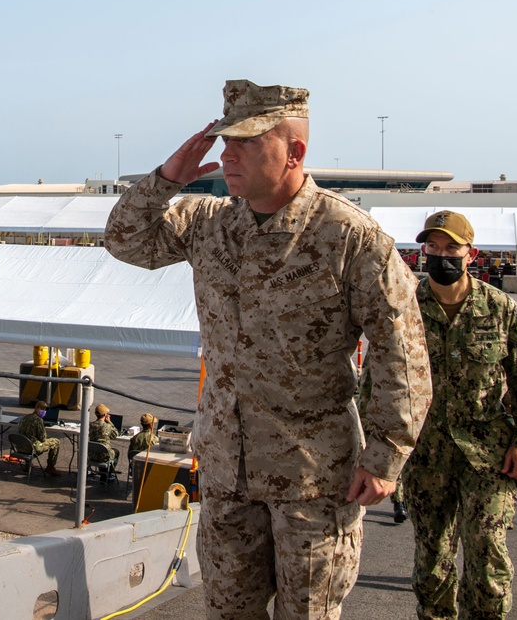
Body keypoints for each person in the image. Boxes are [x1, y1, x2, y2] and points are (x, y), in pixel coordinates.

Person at [105, 79, 433, 618]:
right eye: (224, 141)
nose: (227, 155)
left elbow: (402, 350)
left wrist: (385, 455)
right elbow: (125, 240)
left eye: (246, 143)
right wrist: (166, 179)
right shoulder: (209, 223)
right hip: (225, 471)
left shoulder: (348, 236)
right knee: (230, 611)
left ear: (294, 152)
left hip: (313, 478)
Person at [402, 210, 517, 619]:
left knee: (487, 558)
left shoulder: (503, 310)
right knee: (431, 563)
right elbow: (380, 379)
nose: (440, 255)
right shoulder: (403, 307)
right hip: (426, 454)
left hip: (487, 455)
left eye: (451, 248)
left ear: (472, 254)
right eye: (433, 247)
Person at [18, 401, 62, 476]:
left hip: (20, 447)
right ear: (37, 408)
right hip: (32, 448)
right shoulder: (38, 420)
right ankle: (50, 467)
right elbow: (43, 438)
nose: (44, 412)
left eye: (45, 410)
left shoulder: (25, 417)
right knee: (56, 442)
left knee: (29, 440)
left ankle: (27, 465)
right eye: (42, 409)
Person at [88, 403, 121, 468]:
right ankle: (110, 473)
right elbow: (115, 435)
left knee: (101, 449)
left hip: (92, 455)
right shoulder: (107, 426)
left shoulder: (91, 425)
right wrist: (110, 422)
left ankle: (103, 472)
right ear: (105, 414)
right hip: (104, 456)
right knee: (116, 452)